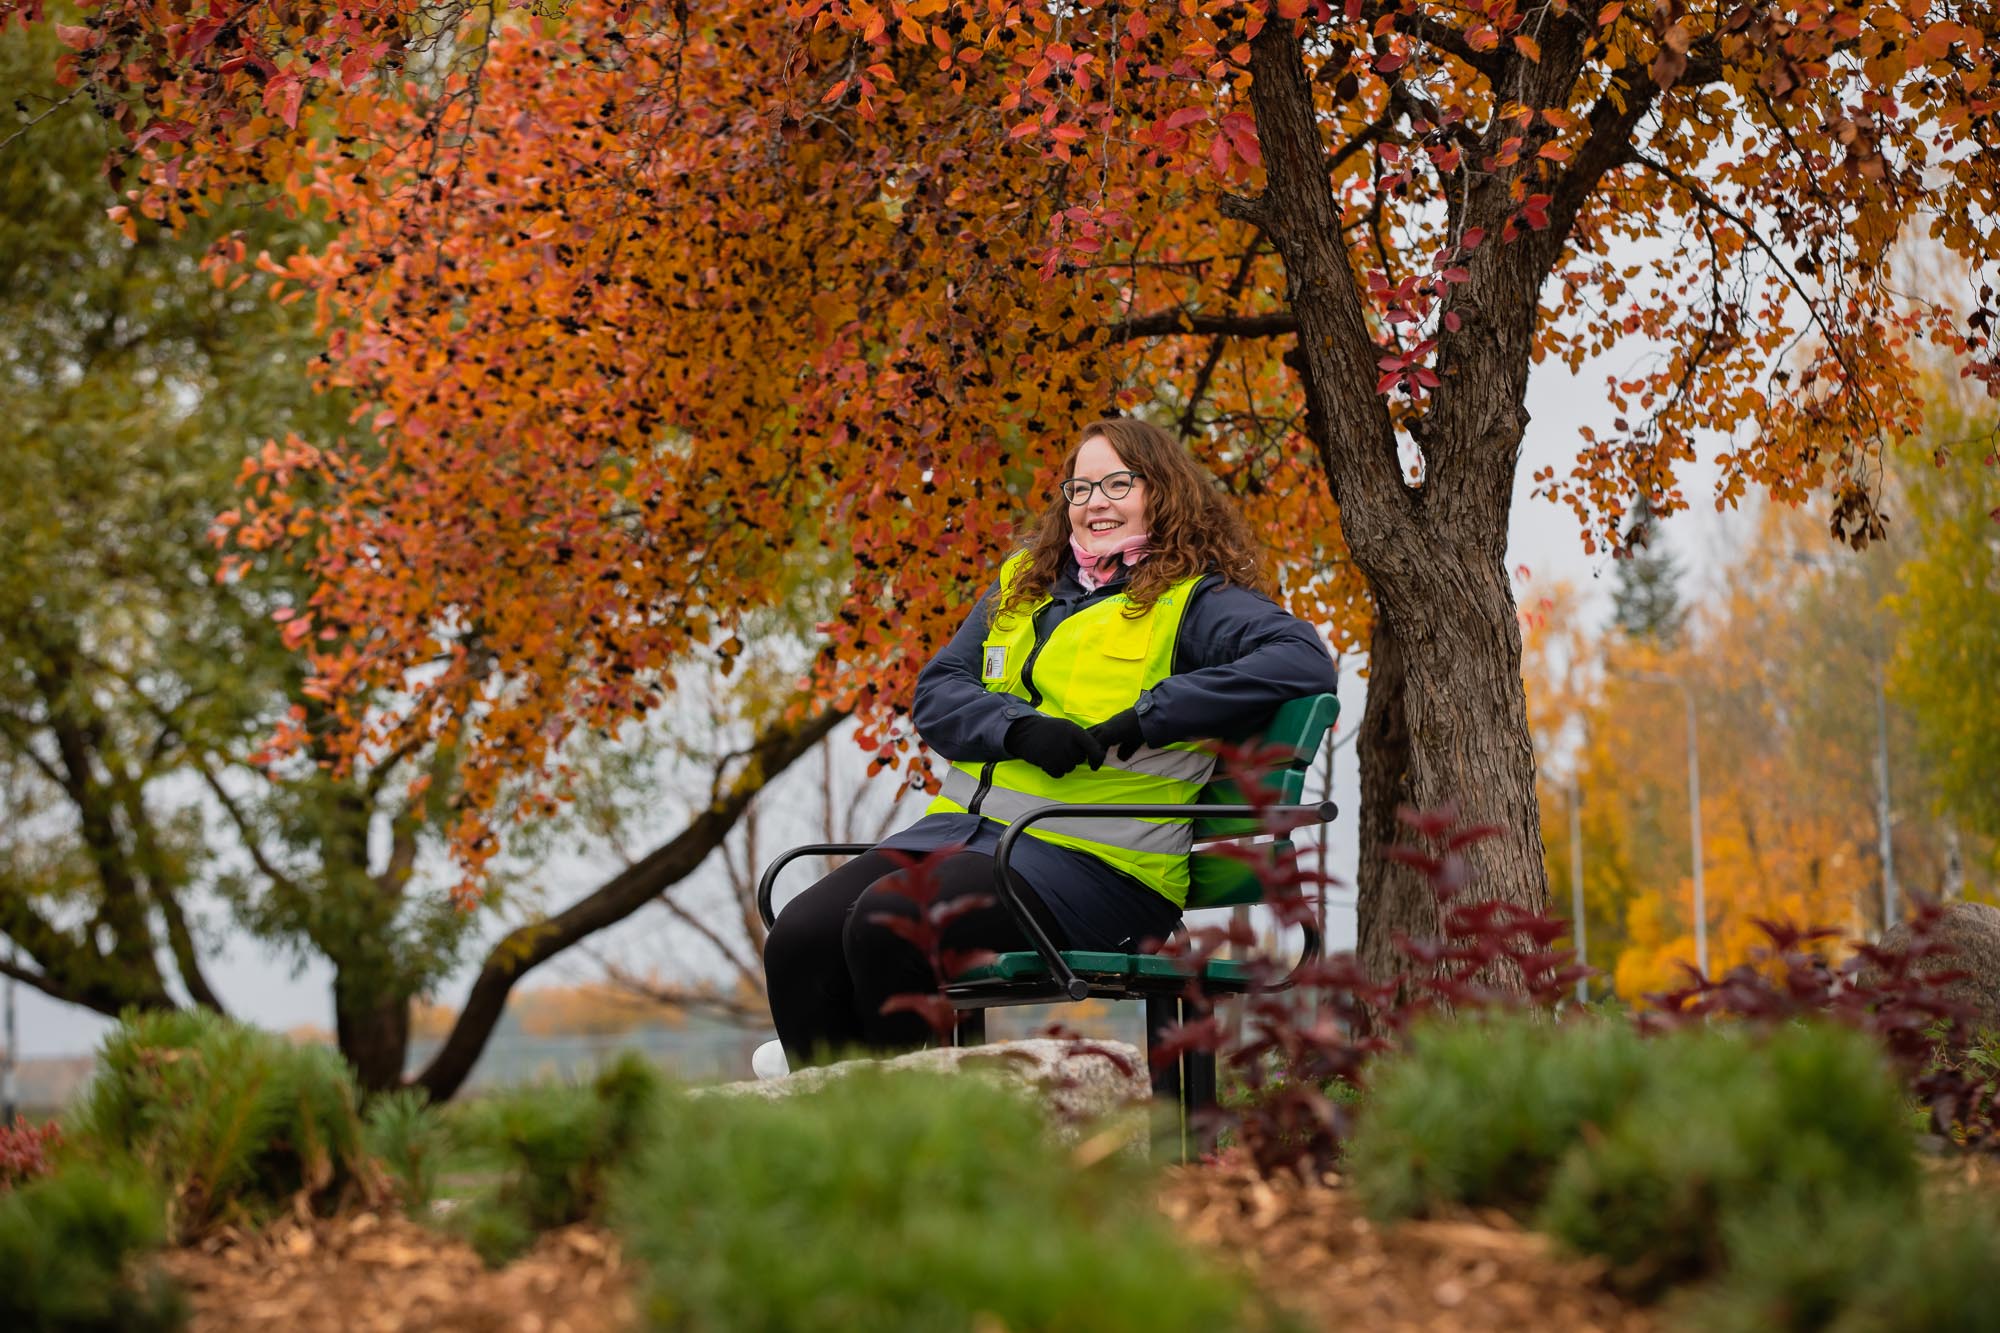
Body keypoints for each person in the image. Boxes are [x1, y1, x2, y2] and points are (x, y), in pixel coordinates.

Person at [759, 418, 1338, 1071]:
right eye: (1080, 487)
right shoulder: (1021, 585)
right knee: (800, 935)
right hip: (965, 837)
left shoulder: (1195, 604)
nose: (1095, 501)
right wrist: (1016, 729)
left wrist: (1141, 719)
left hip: (1097, 866)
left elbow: (1301, 660)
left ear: (1164, 492)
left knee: (890, 920)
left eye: (1118, 482)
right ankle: (838, 1142)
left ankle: (911, 1148)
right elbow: (938, 690)